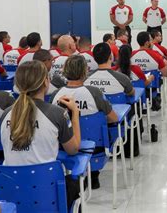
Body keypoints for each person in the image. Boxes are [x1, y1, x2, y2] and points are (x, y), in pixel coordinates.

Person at [0, 60, 81, 209]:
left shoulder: (6, 114)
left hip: (11, 193)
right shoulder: (57, 113)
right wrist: (75, 113)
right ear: (45, 81)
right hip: (46, 193)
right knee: (74, 185)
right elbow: (73, 149)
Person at [50, 55, 118, 190]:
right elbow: (113, 118)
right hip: (96, 146)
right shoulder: (94, 93)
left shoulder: (56, 95)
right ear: (84, 71)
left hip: (63, 146)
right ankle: (93, 174)